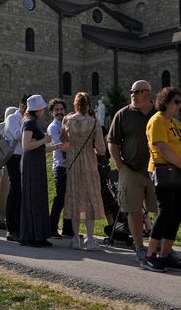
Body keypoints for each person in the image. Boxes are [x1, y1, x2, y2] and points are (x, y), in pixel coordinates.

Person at [140, 86, 181, 271]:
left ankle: (165, 254)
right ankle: (149, 256)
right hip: (163, 171)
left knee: (177, 213)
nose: (179, 106)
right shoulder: (157, 121)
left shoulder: (177, 124)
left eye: (180, 102)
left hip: (178, 172)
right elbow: (162, 147)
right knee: (165, 212)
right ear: (165, 102)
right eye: (175, 102)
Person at [108, 80, 158, 264]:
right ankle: (139, 247)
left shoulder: (159, 113)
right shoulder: (123, 114)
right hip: (131, 170)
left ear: (147, 93)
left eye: (136, 92)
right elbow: (112, 142)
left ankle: (160, 246)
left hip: (156, 170)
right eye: (131, 92)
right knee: (134, 211)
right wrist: (121, 166)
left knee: (161, 210)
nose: (132, 95)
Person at [61, 92, 105, 250]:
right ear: (88, 105)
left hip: (72, 162)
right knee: (89, 199)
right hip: (89, 164)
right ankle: (91, 239)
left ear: (75, 104)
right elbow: (100, 149)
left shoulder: (67, 120)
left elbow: (63, 139)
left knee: (74, 198)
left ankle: (75, 238)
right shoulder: (94, 122)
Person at [19, 95, 55, 247]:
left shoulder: (31, 123)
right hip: (32, 166)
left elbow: (38, 148)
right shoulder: (29, 123)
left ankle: (38, 235)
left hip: (35, 164)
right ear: (37, 109)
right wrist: (44, 140)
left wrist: (57, 146)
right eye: (42, 108)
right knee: (34, 199)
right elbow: (26, 145)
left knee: (37, 198)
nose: (44, 111)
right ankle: (33, 236)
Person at [47, 98, 73, 239]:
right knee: (60, 198)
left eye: (61, 109)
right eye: (56, 110)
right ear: (52, 112)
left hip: (71, 166)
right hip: (61, 167)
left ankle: (68, 229)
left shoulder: (67, 124)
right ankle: (51, 227)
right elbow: (61, 145)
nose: (59, 112)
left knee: (69, 198)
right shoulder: (54, 127)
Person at [3, 95, 28, 242]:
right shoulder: (13, 118)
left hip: (25, 157)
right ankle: (11, 228)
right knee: (15, 191)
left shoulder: (26, 120)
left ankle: (19, 225)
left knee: (21, 192)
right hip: (14, 157)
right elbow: (18, 135)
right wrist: (30, 129)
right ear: (23, 106)